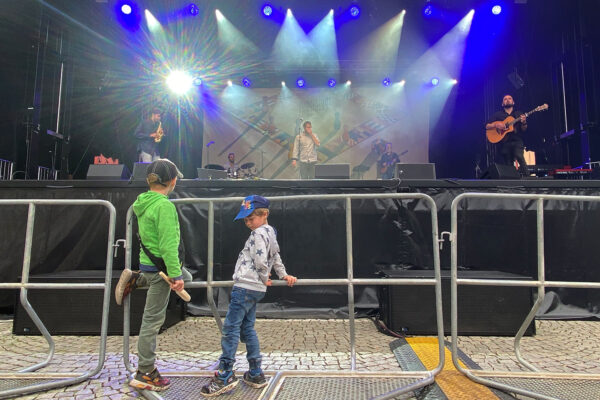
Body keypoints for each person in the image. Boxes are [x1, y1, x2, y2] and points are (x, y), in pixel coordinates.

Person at [200, 195, 297, 397]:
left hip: (245, 286)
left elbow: (262, 259)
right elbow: (276, 256)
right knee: (247, 328)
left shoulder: (258, 234)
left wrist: (264, 276)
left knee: (230, 328)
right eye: (245, 219)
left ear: (264, 214)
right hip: (256, 290)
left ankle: (225, 374)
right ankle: (255, 372)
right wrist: (283, 274)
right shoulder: (271, 233)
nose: (247, 223)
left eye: (251, 218)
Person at [114, 158, 192, 392]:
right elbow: (168, 244)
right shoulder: (164, 206)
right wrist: (175, 275)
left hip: (148, 264)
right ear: (173, 180)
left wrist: (179, 275)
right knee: (152, 320)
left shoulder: (142, 202)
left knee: (187, 277)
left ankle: (138, 278)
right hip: (162, 271)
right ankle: (145, 371)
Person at [485, 95, 529, 176]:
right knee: (507, 163)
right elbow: (487, 126)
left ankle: (528, 179)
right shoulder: (498, 115)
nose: (507, 100)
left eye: (509, 99)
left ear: (513, 102)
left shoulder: (518, 114)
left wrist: (524, 122)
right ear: (502, 104)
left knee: (519, 156)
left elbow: (524, 129)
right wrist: (496, 125)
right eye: (505, 99)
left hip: (517, 140)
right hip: (504, 142)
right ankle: (511, 182)